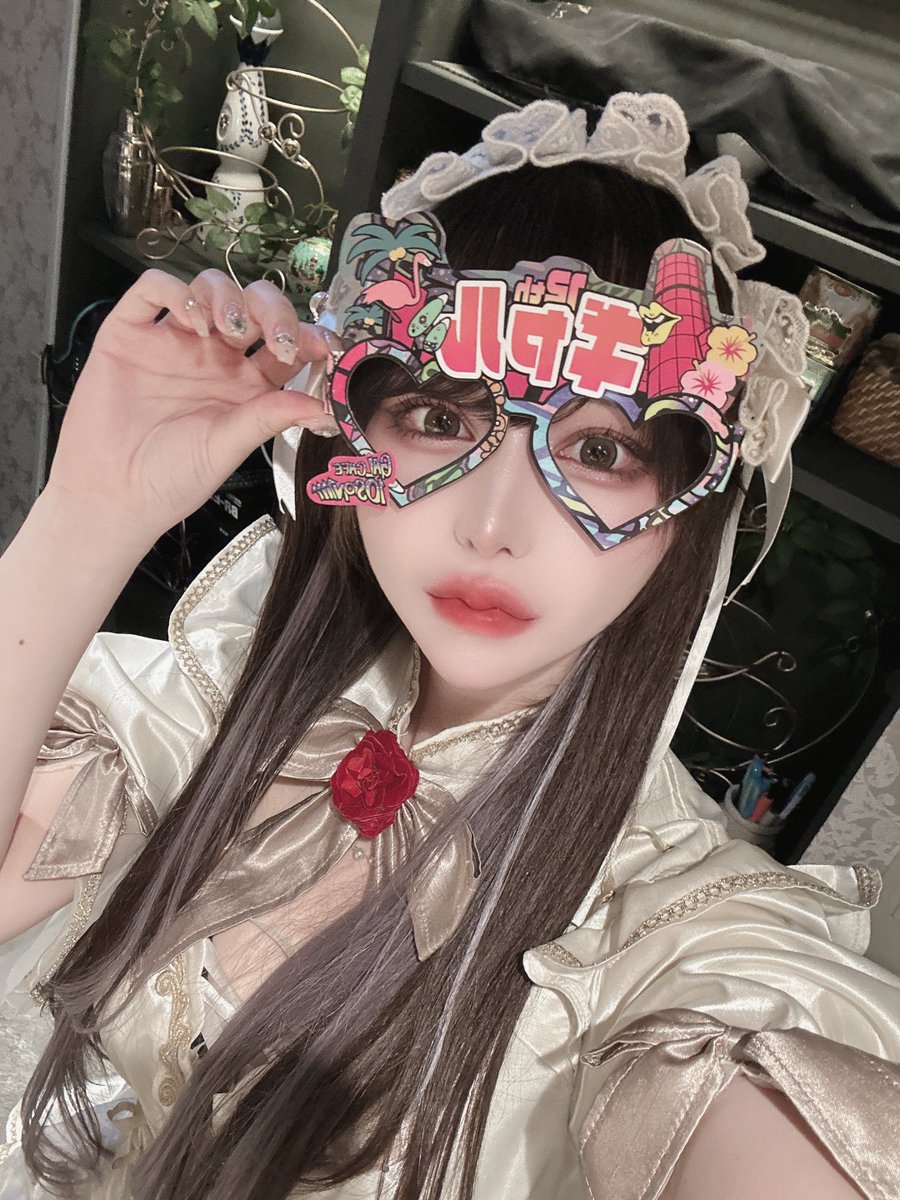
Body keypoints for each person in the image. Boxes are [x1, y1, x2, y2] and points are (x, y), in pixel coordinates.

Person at [0, 94, 898, 1200]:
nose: (493, 527)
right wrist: (88, 513)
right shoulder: (205, 704)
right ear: (349, 421)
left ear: (688, 510)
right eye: (439, 417)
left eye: (602, 449)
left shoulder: (675, 930)